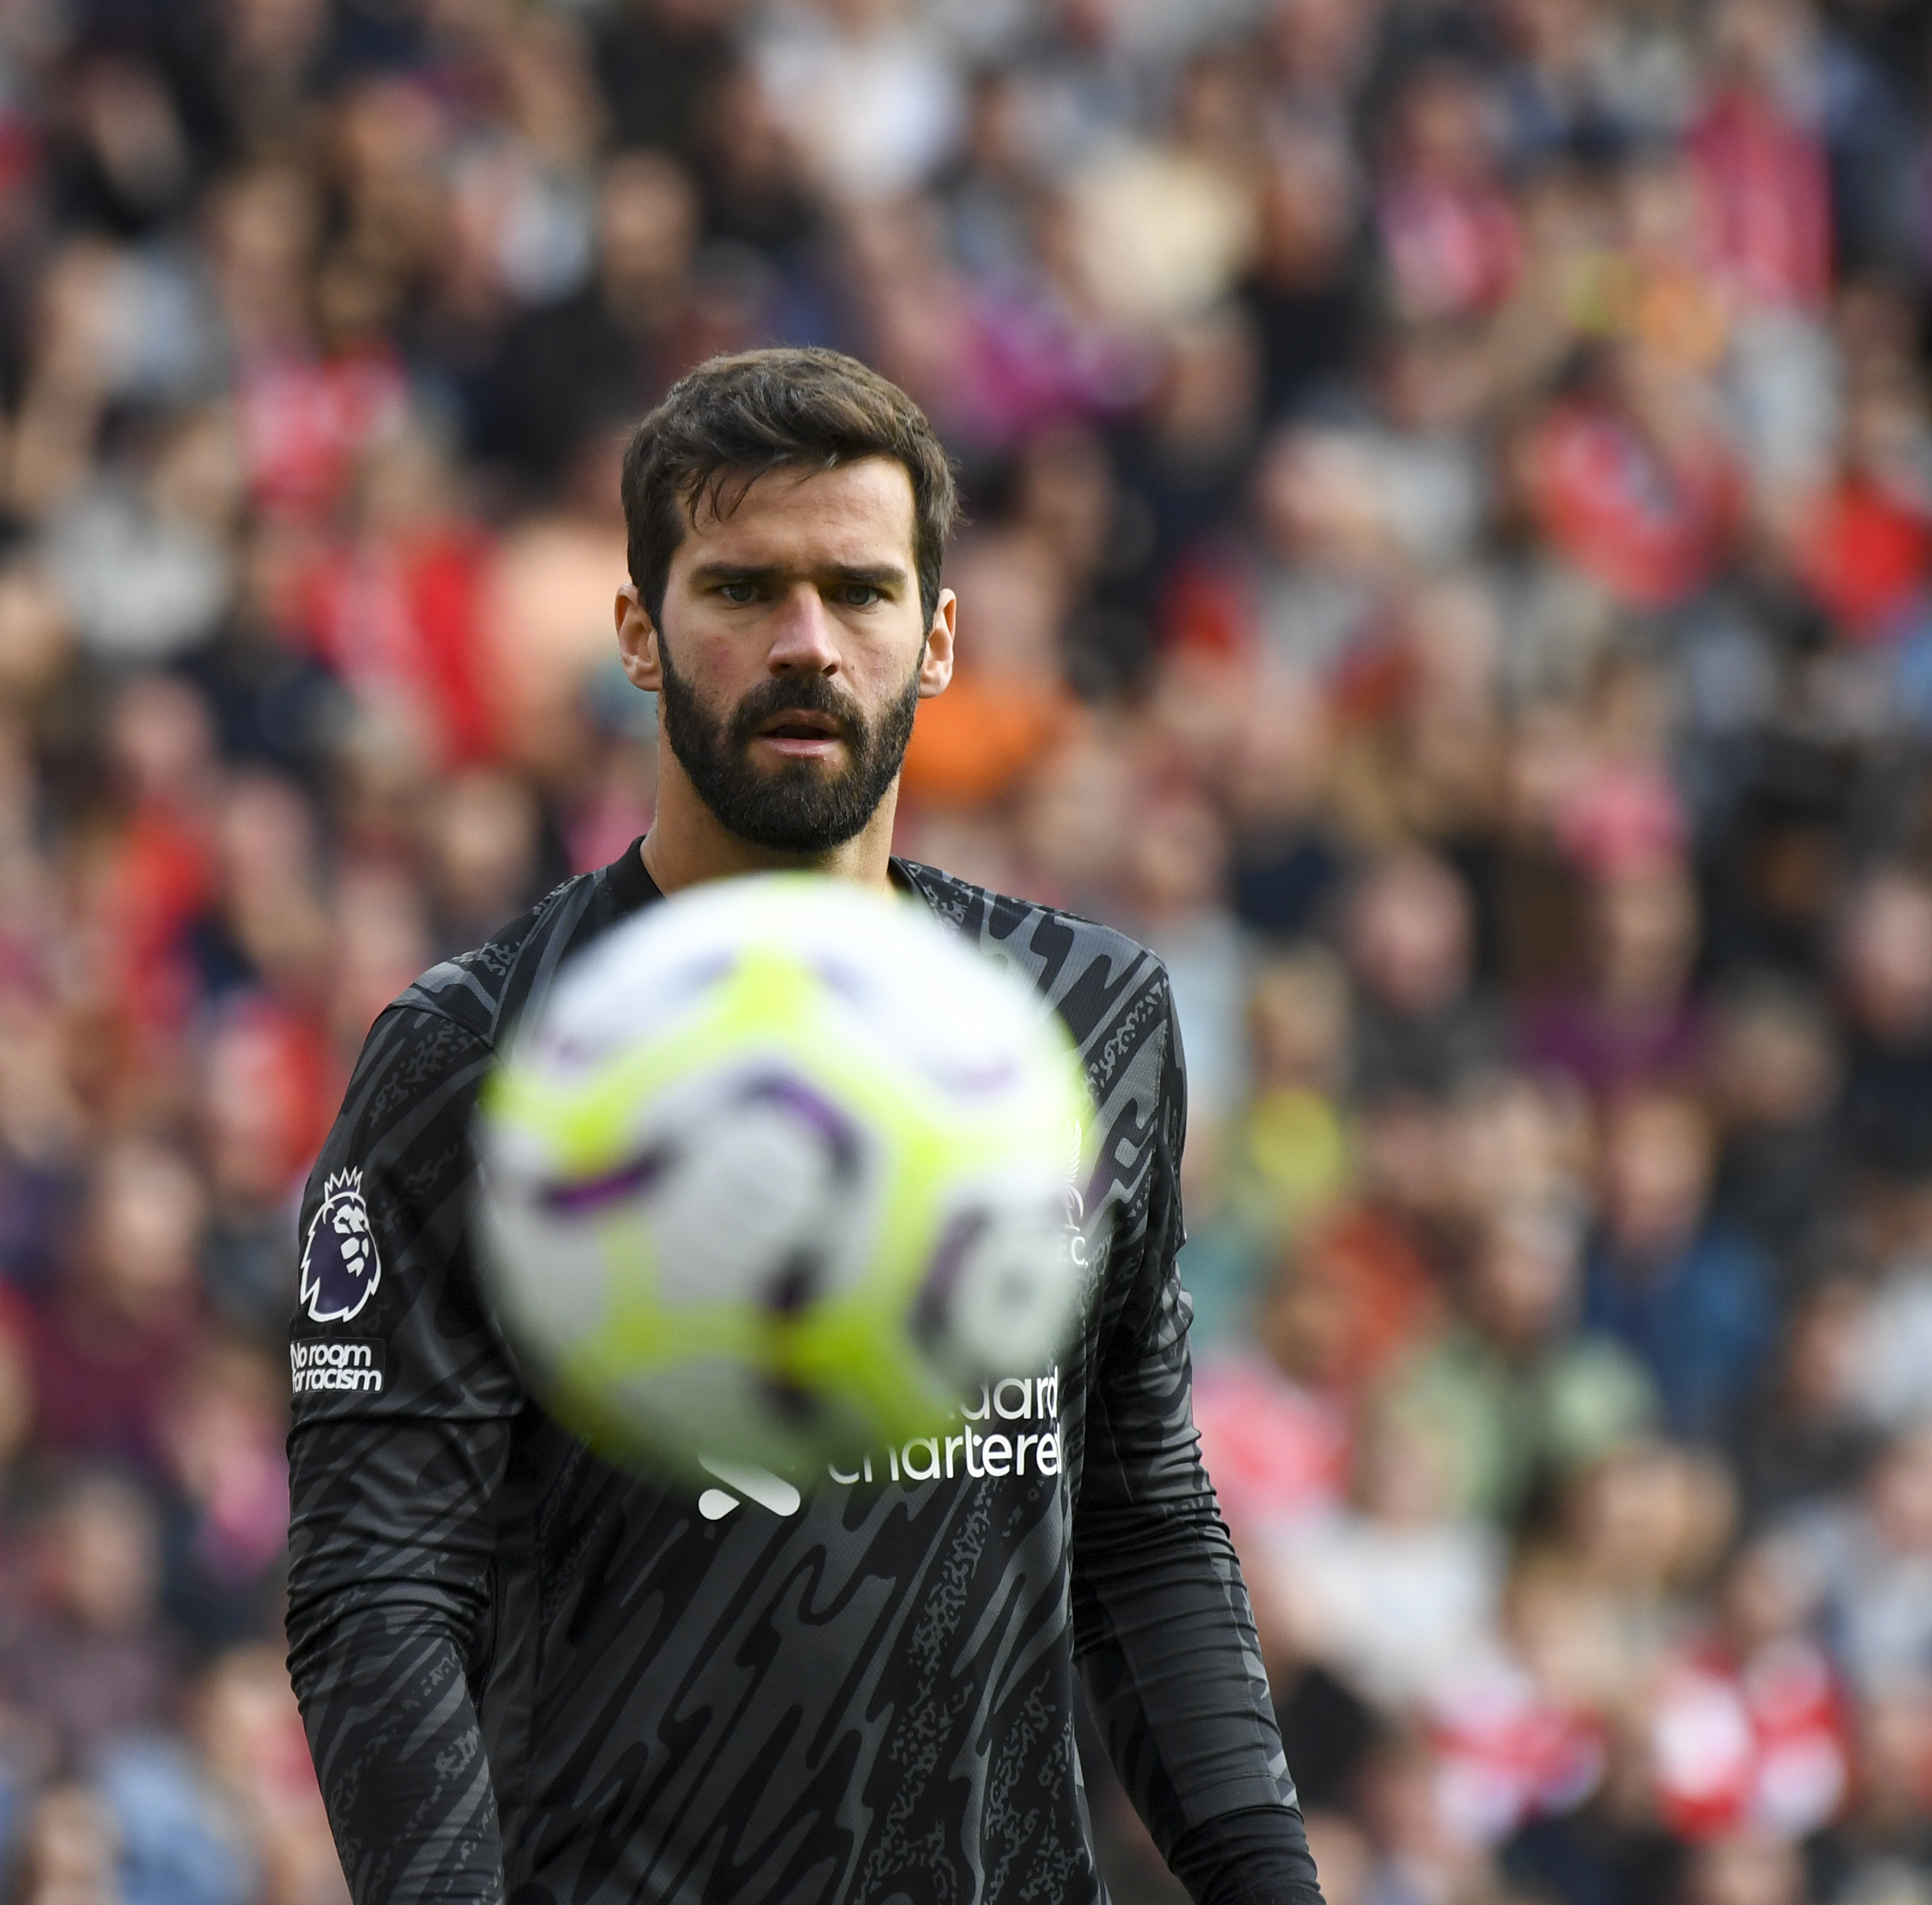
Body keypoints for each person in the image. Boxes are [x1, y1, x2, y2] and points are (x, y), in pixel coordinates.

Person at [283, 348, 1322, 1905]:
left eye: (856, 590)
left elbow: (1143, 1525)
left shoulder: (1089, 1020)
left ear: (939, 636)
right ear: (637, 633)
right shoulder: (474, 1052)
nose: (805, 644)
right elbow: (377, 1588)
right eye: (740, 590)